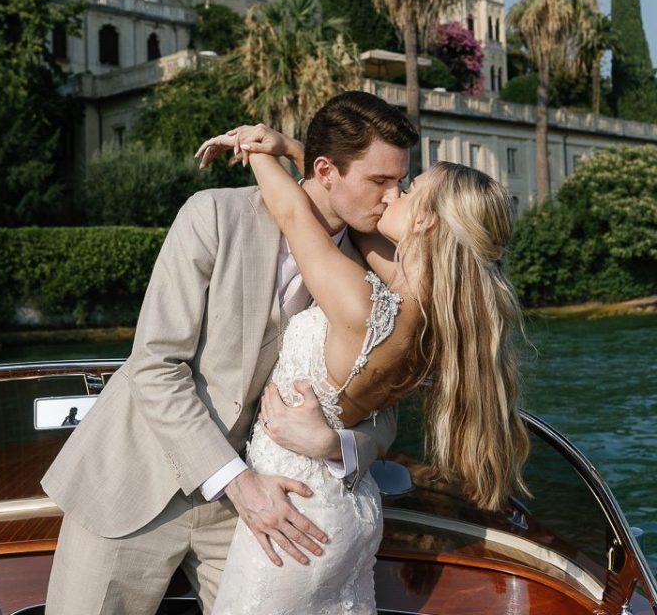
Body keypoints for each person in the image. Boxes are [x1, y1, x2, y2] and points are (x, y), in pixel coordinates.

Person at [41, 91, 418, 615]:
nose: (392, 195)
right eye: (379, 180)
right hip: (135, 482)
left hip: (265, 507)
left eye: (399, 180)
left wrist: (337, 445)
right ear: (326, 169)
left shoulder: (374, 273)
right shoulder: (214, 215)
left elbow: (383, 408)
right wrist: (238, 483)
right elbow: (155, 363)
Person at [195, 122, 530, 615]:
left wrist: (254, 149)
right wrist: (292, 147)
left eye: (410, 189)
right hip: (352, 513)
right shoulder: (432, 312)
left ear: (426, 222)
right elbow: (354, 206)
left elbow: (291, 211)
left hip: (295, 517)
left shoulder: (361, 301)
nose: (393, 194)